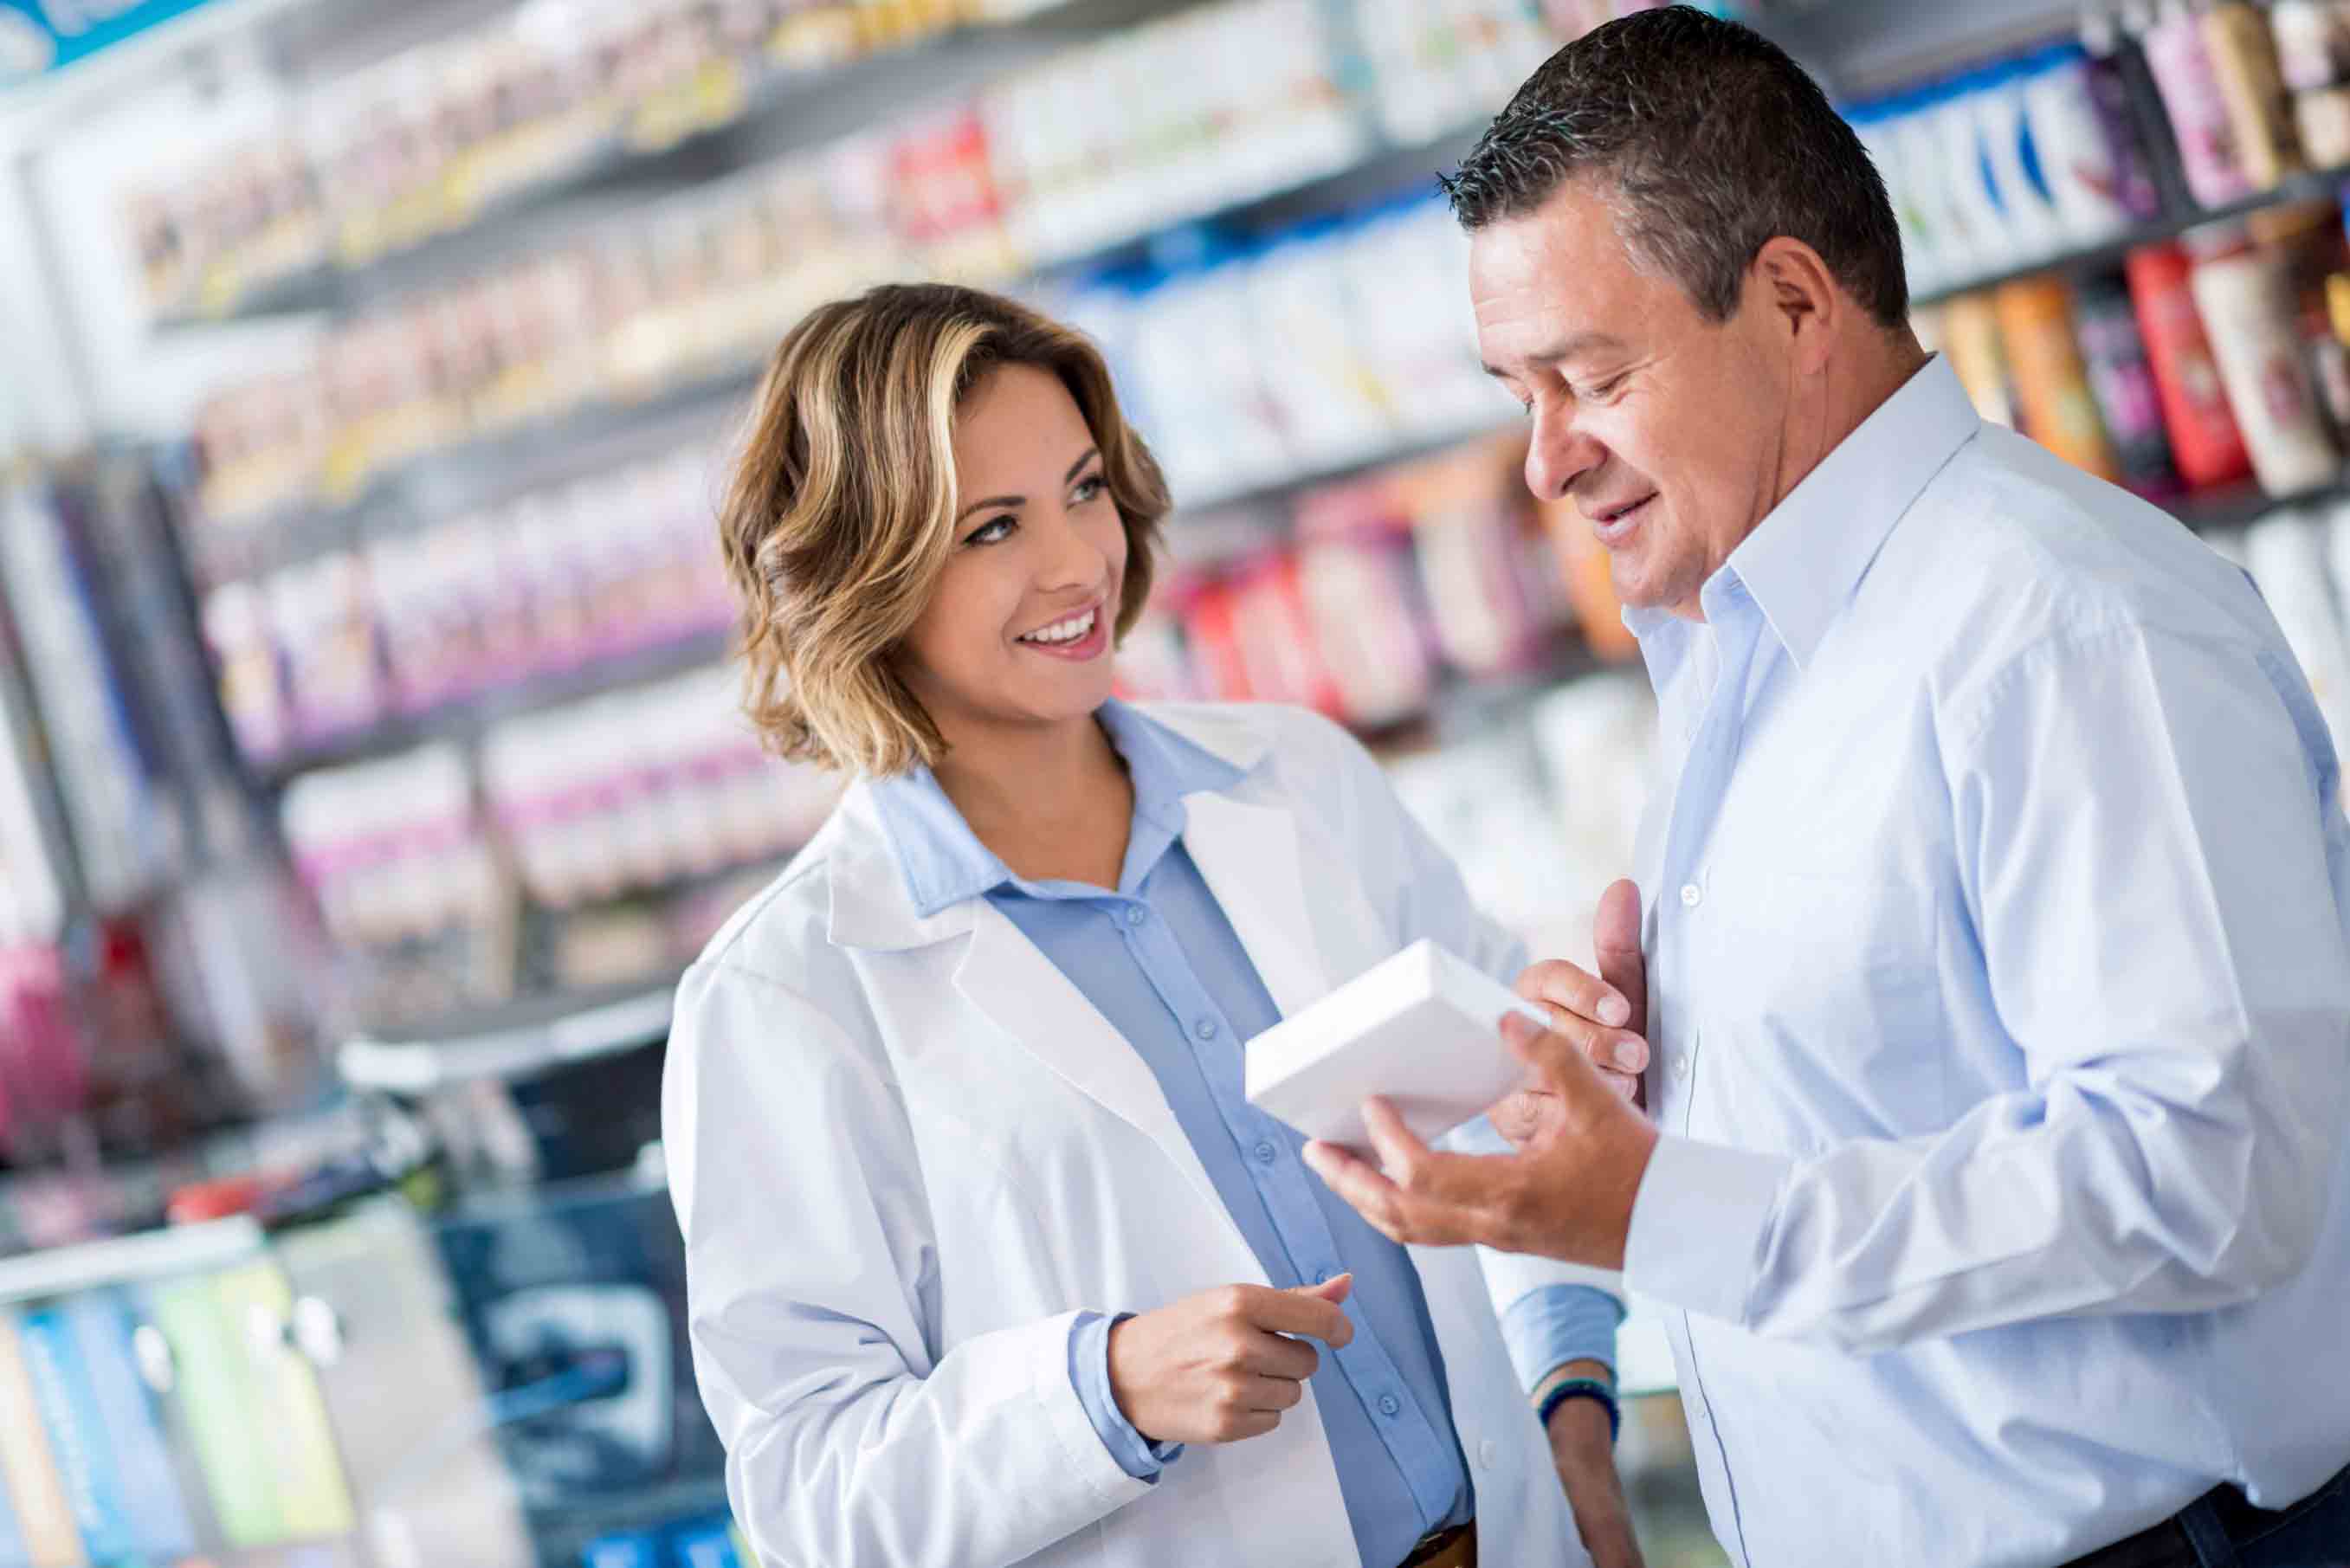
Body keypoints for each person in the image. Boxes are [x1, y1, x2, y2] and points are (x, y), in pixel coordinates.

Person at [1302, 10, 2350, 1568]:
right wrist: (1634, 1099)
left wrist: (1654, 1209)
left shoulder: (2056, 626)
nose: (1544, 461)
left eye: (1587, 377)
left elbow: (2205, 1172)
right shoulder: (1741, 636)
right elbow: (1879, 1094)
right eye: (1514, 391)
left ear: (1792, 302)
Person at [660, 282, 1642, 1568]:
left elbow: (1494, 1137)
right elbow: (806, 1494)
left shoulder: (1300, 780)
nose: (1075, 562)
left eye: (1081, 489)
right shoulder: (787, 995)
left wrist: (1567, 1410)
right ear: (864, 574)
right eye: (990, 529)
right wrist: (1100, 1391)